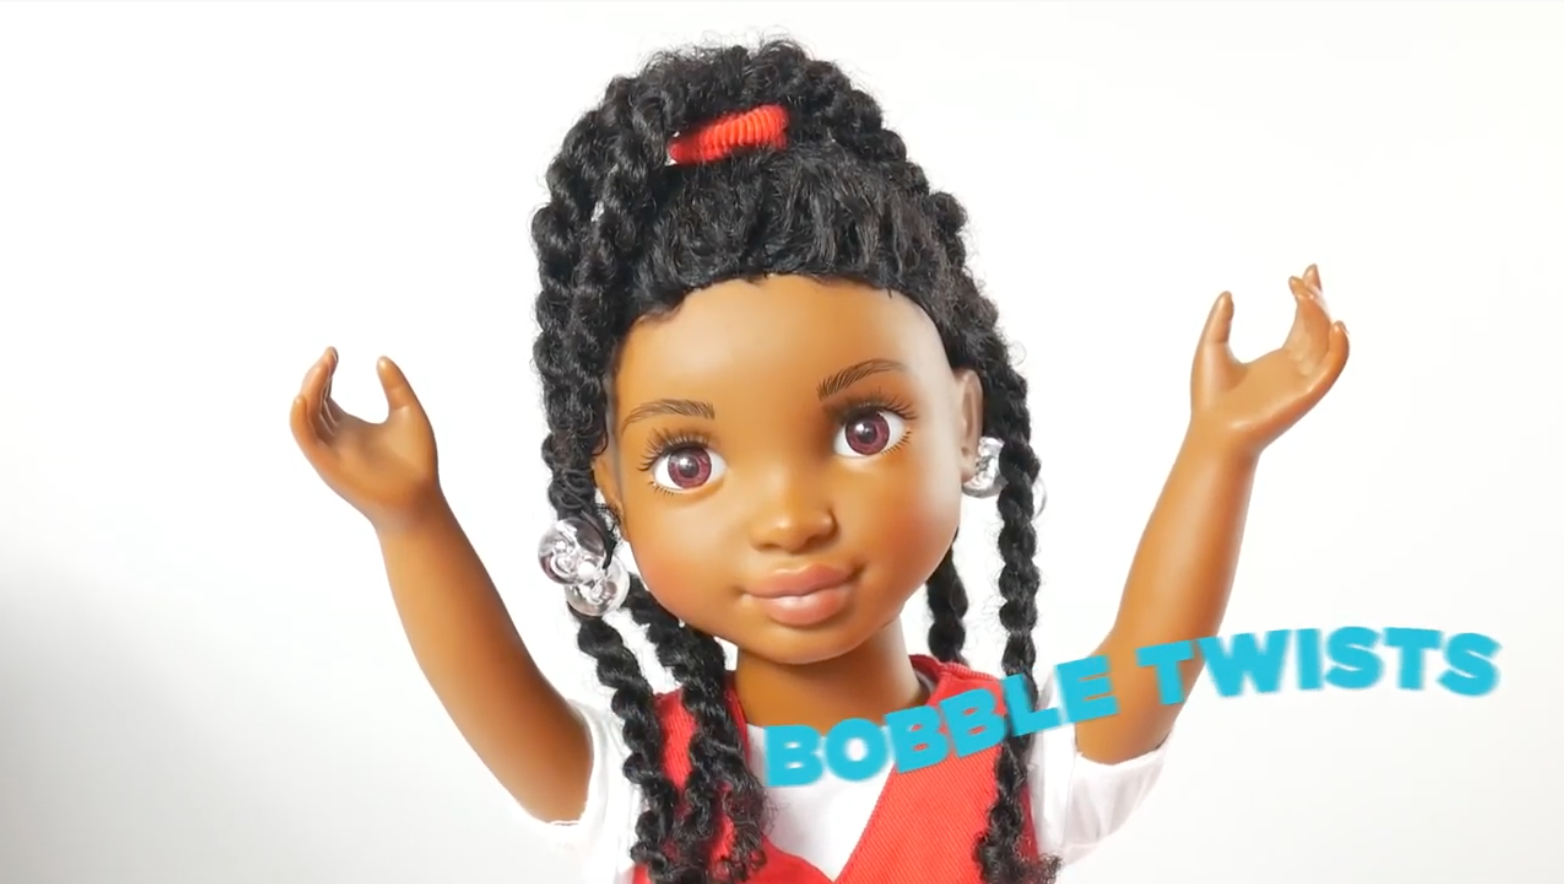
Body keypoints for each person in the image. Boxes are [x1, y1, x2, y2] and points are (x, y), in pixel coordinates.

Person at [289, 39, 1349, 884]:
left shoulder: (1015, 764)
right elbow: (491, 694)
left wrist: (1223, 447)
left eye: (864, 430)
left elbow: (1150, 657)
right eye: (689, 461)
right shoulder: (647, 792)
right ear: (606, 488)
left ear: (964, 420)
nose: (791, 518)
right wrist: (410, 519)